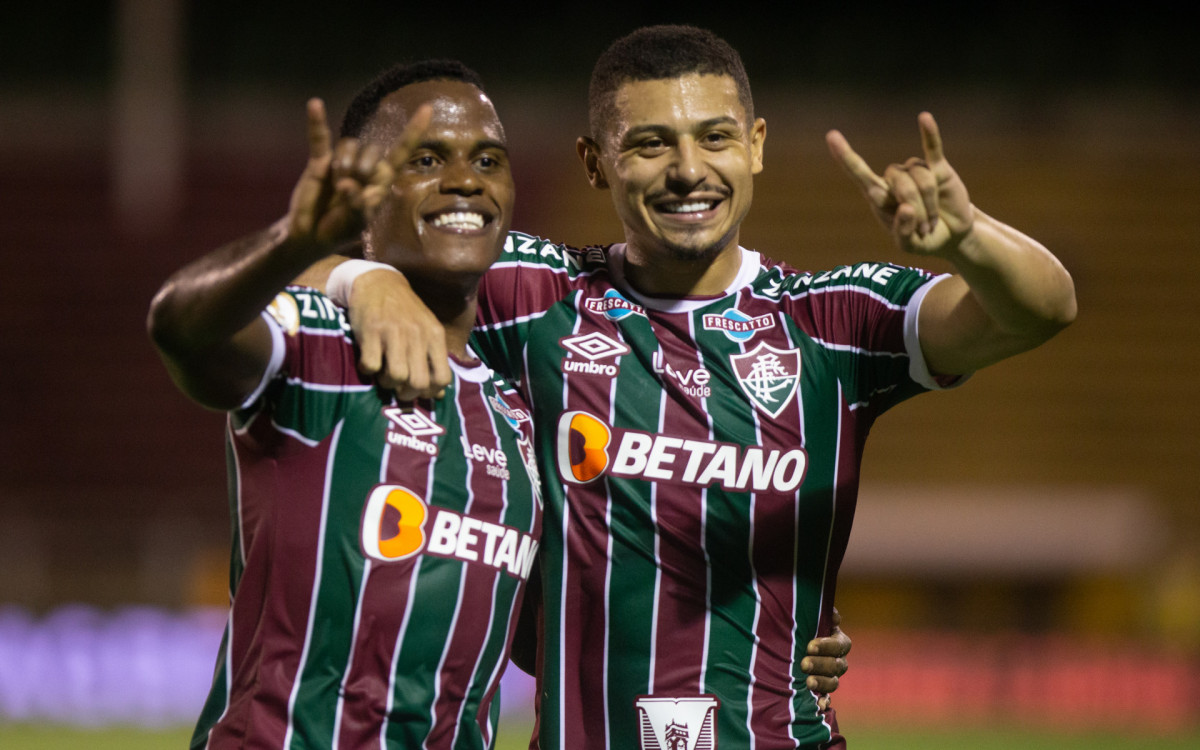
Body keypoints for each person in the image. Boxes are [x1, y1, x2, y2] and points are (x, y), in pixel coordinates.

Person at [330, 24, 1054, 749]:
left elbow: (1038, 310)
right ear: (594, 162)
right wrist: (365, 280)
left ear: (757, 144)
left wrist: (968, 239)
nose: (688, 170)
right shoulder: (531, 296)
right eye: (650, 144)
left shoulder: (832, 319)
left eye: (715, 138)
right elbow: (306, 266)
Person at [146, 60, 545, 749]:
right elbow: (181, 327)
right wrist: (301, 246)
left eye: (488, 159)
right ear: (368, 201)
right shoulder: (318, 343)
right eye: (426, 158)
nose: (466, 180)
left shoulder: (517, 412)